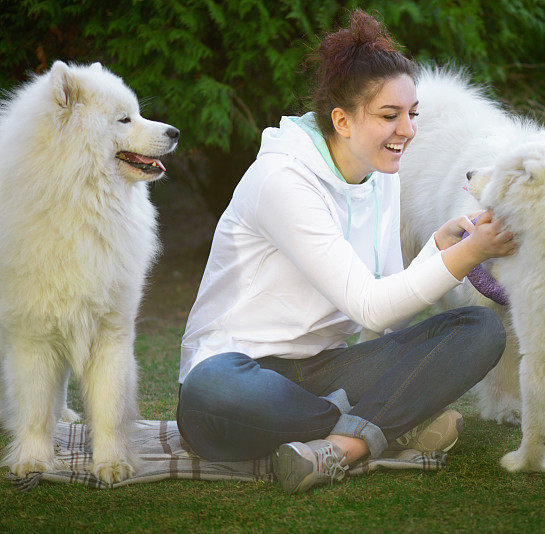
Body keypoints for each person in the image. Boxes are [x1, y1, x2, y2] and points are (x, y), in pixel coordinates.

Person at [176, 10, 515, 494]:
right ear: (341, 119)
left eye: (412, 113)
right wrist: (466, 255)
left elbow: (383, 299)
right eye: (389, 116)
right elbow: (369, 306)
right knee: (213, 391)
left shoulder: (379, 172)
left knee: (478, 328)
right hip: (239, 375)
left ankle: (342, 447)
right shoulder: (283, 180)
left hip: (322, 369)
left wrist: (434, 252)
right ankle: (387, 426)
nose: (408, 130)